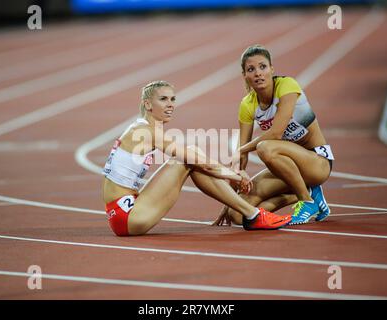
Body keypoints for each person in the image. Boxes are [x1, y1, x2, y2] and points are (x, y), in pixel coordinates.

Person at [101, 80, 291, 236]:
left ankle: (250, 213)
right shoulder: (146, 131)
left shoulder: (141, 128)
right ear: (148, 104)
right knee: (188, 159)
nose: (170, 105)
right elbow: (200, 163)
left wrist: (229, 181)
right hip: (127, 216)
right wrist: (235, 176)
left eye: (173, 99)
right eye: (164, 99)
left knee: (190, 158)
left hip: (124, 210)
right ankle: (253, 214)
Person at [214, 45, 333, 226]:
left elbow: (276, 133)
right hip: (288, 168)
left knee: (265, 148)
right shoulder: (247, 104)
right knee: (238, 215)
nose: (258, 73)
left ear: (272, 69)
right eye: (251, 69)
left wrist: (240, 149)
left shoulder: (286, 86)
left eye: (263, 67)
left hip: (317, 162)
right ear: (244, 75)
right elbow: (241, 159)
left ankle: (306, 201)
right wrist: (229, 200)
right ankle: (305, 194)